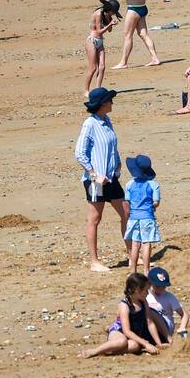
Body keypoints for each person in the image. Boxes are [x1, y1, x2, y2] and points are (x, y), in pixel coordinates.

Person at [75, 87, 126, 272]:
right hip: (96, 181)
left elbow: (112, 146)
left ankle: (132, 254)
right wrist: (94, 174)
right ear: (102, 104)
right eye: (109, 100)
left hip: (112, 178)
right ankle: (94, 261)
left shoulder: (107, 120)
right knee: (95, 218)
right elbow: (80, 153)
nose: (112, 103)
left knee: (126, 213)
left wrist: (118, 163)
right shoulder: (90, 124)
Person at [79, 273, 163, 357]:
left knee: (135, 346)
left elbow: (150, 323)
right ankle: (95, 351)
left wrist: (159, 343)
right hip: (119, 331)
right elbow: (126, 331)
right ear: (138, 290)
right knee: (122, 342)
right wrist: (145, 343)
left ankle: (110, 352)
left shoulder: (144, 302)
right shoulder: (125, 305)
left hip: (132, 334)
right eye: (146, 290)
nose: (148, 293)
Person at [122, 155, 161, 276]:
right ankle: (146, 270)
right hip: (147, 217)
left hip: (134, 218)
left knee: (135, 244)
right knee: (146, 243)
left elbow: (127, 203)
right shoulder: (153, 185)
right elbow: (156, 202)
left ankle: (132, 270)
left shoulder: (129, 184)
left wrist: (129, 215)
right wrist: (152, 207)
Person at [85, 0, 122, 94]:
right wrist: (110, 24)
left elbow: (109, 30)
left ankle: (98, 89)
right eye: (113, 12)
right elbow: (98, 32)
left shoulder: (106, 14)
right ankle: (86, 91)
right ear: (109, 9)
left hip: (100, 41)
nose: (113, 14)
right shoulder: (98, 14)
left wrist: (110, 20)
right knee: (93, 68)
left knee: (102, 67)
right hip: (92, 41)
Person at [146, 267, 189, 341]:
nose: (161, 289)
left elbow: (184, 314)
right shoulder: (145, 295)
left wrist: (182, 327)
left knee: (152, 313)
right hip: (149, 327)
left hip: (166, 328)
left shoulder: (169, 296)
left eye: (163, 286)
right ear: (150, 283)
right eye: (157, 286)